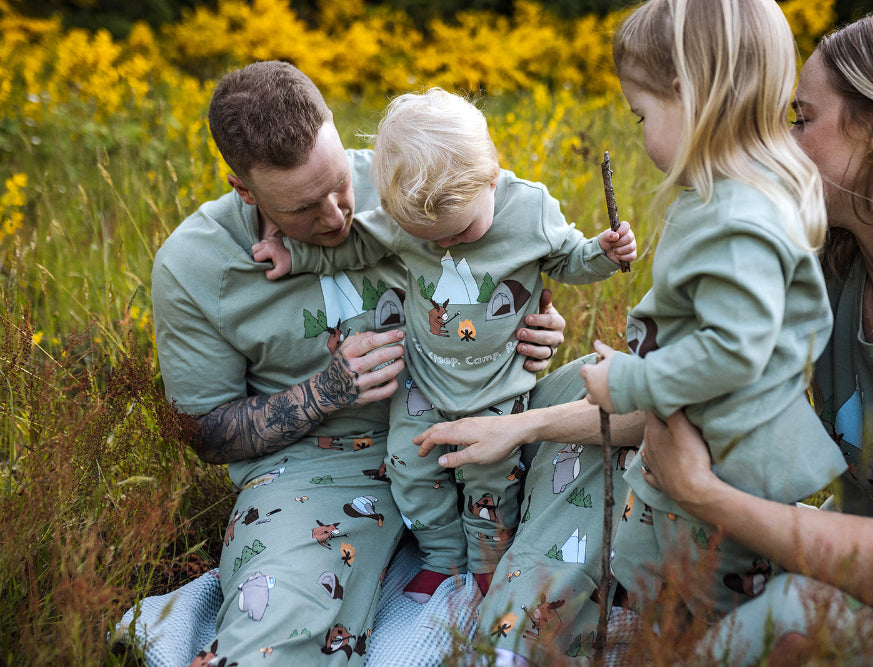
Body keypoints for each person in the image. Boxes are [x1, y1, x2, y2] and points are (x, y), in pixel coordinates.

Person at [150, 61, 567, 665]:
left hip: (486, 417)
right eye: (302, 209)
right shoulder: (195, 265)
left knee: (611, 411)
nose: (337, 216)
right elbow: (204, 432)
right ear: (245, 191)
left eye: (339, 184)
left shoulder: (414, 176)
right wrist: (326, 391)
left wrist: (539, 331)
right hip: (322, 470)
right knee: (272, 639)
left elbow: (522, 259)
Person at [634, 1, 873, 663]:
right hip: (851, 555)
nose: (780, 143)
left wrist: (701, 493)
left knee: (795, 619)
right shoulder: (836, 267)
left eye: (800, 120)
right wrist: (528, 417)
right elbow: (703, 383)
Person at [252, 86, 637, 604]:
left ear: (492, 174)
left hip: (498, 387)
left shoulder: (530, 211)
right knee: (409, 468)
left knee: (491, 481)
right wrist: (294, 257)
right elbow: (355, 247)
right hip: (423, 384)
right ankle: (442, 558)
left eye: (460, 232)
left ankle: (487, 565)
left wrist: (605, 253)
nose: (447, 246)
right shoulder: (404, 219)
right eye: (430, 240)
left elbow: (569, 259)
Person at [576, 0, 846, 618]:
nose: (640, 135)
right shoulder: (737, 196)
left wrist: (629, 380)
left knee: (706, 605)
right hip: (713, 443)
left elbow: (733, 348)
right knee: (673, 584)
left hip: (730, 462)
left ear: (687, 93)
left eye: (642, 114)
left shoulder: (738, 218)